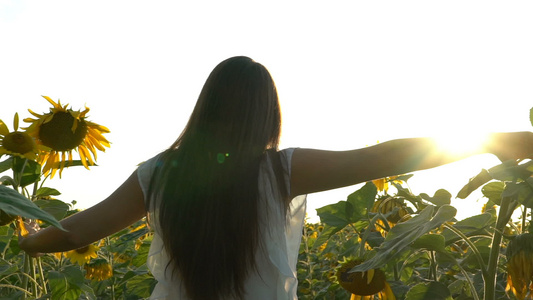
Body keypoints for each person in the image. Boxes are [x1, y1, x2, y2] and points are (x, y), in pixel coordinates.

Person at [18, 56, 533, 300]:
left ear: (205, 109)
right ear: (266, 113)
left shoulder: (158, 174)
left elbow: (78, 231)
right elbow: (385, 157)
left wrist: (29, 239)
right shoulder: (282, 170)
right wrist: (492, 138)